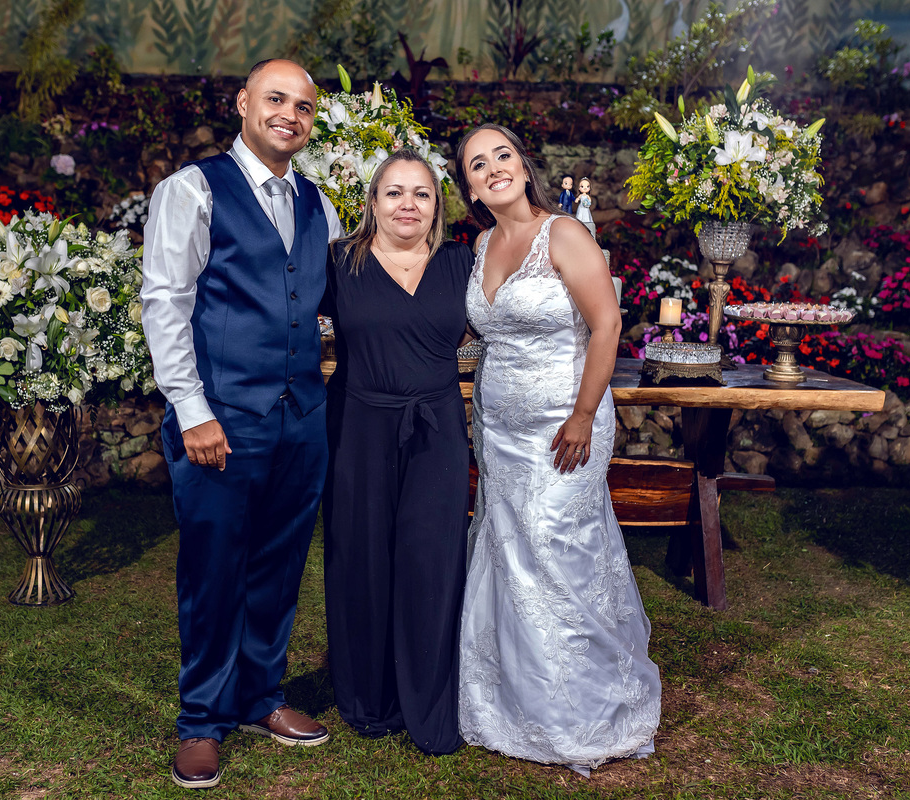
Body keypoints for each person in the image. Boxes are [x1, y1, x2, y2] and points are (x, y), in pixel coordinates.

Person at [141, 58, 343, 791]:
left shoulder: (320, 203)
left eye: (304, 106)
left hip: (302, 418)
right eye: (275, 99)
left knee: (279, 566)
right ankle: (201, 719)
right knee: (213, 569)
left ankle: (261, 696)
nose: (290, 114)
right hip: (221, 419)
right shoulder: (192, 189)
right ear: (243, 103)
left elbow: (331, 302)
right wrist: (192, 410)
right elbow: (165, 302)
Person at [453, 123, 661, 775]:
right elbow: (482, 335)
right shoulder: (482, 244)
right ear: (469, 188)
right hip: (497, 428)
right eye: (478, 164)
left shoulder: (564, 233)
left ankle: (584, 708)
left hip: (565, 427)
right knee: (509, 552)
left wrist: (583, 414)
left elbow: (607, 324)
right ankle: (513, 704)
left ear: (523, 166)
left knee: (557, 548)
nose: (494, 168)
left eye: (503, 155)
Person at [322, 149, 473, 756]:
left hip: (437, 428)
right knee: (360, 557)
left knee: (432, 561)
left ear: (437, 206)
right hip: (358, 426)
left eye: (421, 194)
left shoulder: (463, 262)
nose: (407, 205)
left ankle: (429, 700)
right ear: (373, 202)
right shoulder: (339, 263)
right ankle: (368, 698)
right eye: (394, 192)